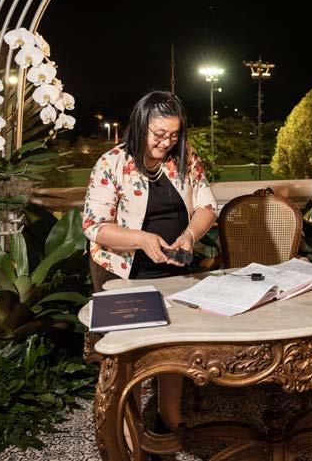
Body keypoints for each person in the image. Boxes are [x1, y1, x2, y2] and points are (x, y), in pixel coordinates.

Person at [82, 90, 217, 432]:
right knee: (131, 355)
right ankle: (129, 425)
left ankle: (169, 418)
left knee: (174, 346)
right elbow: (94, 226)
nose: (167, 142)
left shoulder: (184, 156)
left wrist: (190, 236)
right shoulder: (112, 163)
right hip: (124, 271)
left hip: (175, 268)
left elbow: (206, 206)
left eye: (174, 135)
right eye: (159, 134)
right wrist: (142, 240)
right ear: (141, 126)